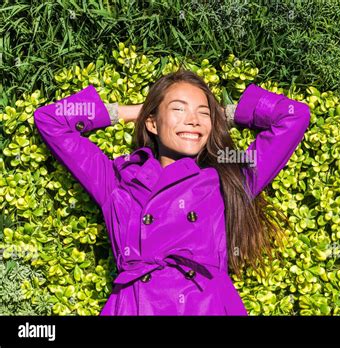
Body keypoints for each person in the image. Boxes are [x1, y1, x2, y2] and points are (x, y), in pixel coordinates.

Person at [34, 69, 311, 315]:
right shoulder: (117, 182)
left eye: (203, 112)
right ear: (153, 123)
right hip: (134, 305)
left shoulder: (229, 179)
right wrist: (135, 112)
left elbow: (294, 116)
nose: (193, 120)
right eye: (179, 109)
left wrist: (223, 112)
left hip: (208, 306)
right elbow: (50, 120)